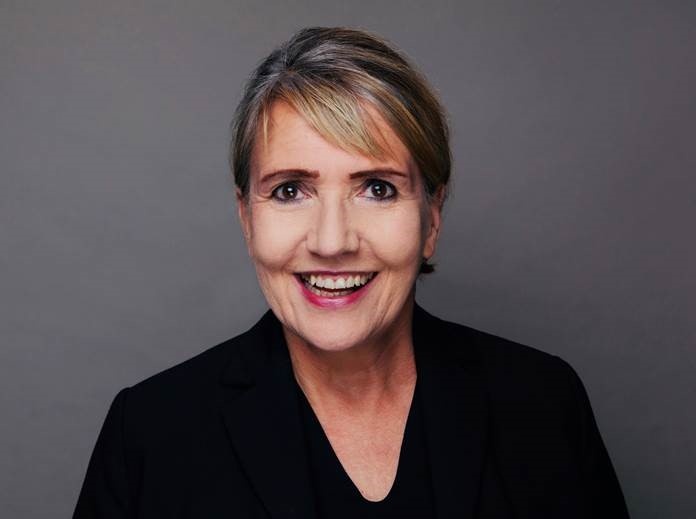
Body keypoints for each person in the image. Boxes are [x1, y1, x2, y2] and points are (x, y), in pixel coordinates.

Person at [73, 27, 630, 518]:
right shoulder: (149, 434)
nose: (332, 242)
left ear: (431, 217)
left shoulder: (542, 405)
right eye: (290, 190)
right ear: (247, 218)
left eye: (377, 188)